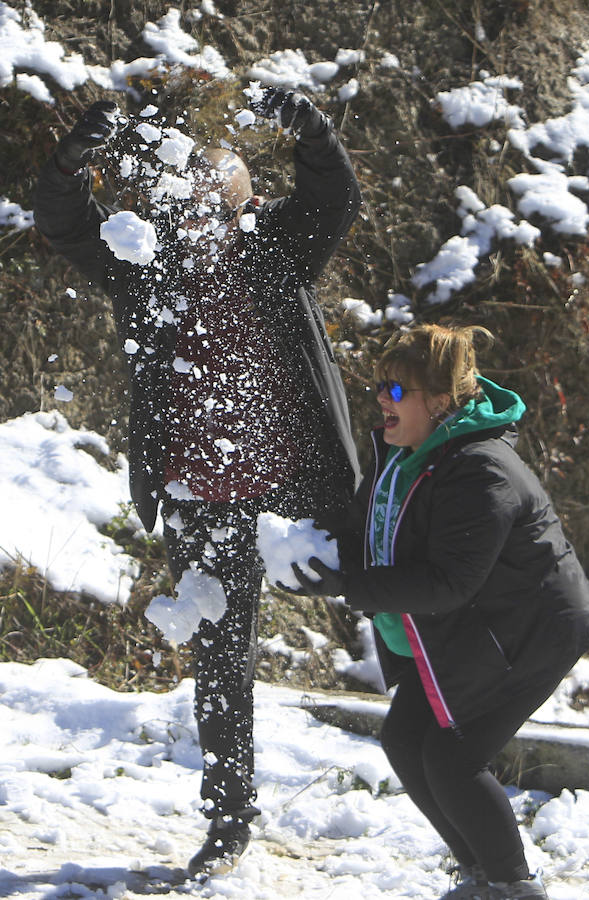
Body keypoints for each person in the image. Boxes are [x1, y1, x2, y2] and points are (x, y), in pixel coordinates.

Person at [34, 89, 361, 880]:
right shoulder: (147, 271)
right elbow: (63, 221)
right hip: (203, 495)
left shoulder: (279, 249)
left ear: (249, 208)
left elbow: (334, 196)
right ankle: (228, 819)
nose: (199, 222)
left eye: (219, 205)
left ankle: (449, 769)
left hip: (301, 489)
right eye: (188, 206)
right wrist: (79, 152)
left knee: (399, 613)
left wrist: (309, 130)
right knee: (220, 662)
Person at [291, 323, 589, 900]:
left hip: (531, 628)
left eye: (398, 391)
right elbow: (369, 532)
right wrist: (312, 555)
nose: (383, 398)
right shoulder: (404, 455)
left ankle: (512, 887)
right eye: (381, 385)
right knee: (407, 742)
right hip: (480, 623)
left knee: (454, 758)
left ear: (441, 402)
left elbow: (449, 581)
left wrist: (350, 585)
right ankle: (482, 874)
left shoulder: (479, 469)